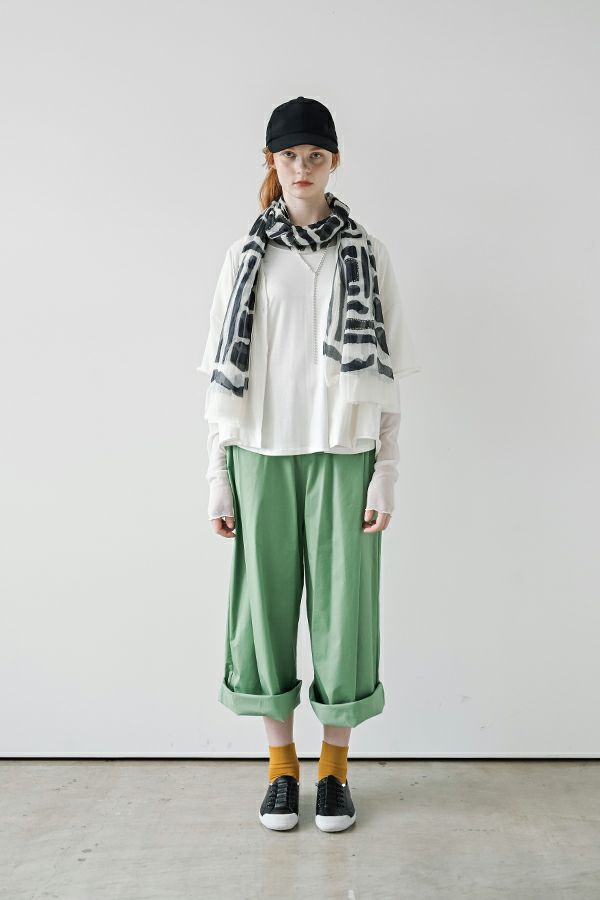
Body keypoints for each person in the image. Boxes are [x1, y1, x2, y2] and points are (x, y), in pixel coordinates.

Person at [197, 96, 421, 833]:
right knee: (262, 613)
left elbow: (387, 375)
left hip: (344, 453)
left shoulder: (368, 253)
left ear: (334, 162)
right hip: (260, 451)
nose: (302, 168)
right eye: (289, 156)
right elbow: (221, 379)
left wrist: (386, 470)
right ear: (273, 162)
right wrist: (218, 475)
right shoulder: (246, 254)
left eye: (314, 156)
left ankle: (333, 772)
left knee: (344, 616)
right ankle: (280, 769)